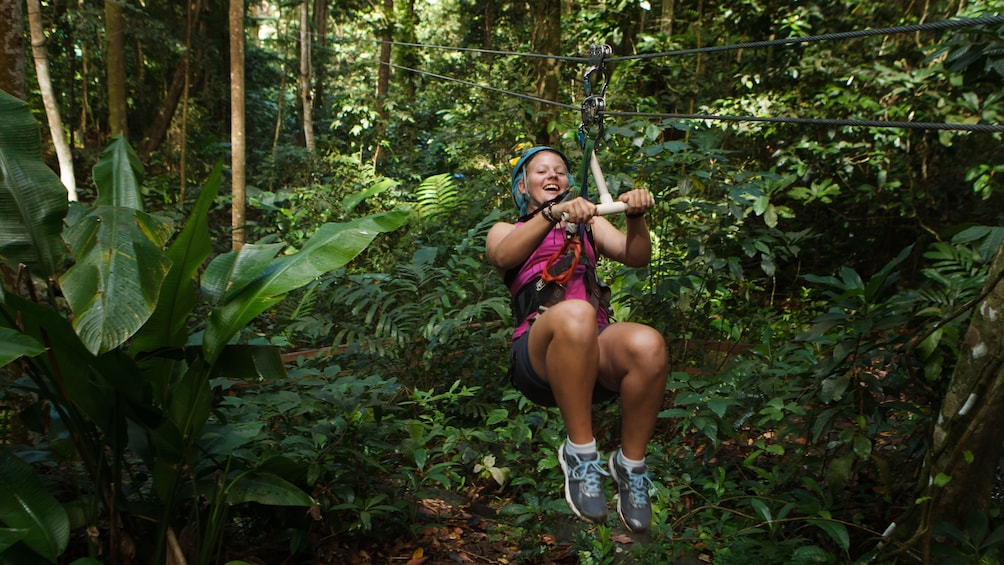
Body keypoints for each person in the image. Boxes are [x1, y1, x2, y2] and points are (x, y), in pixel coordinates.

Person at [486, 145, 668, 533]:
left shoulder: (588, 225)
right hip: (538, 356)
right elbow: (503, 256)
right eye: (541, 172)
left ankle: (630, 466)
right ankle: (581, 454)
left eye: (560, 171)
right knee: (575, 313)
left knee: (648, 343)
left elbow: (635, 256)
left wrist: (634, 218)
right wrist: (554, 214)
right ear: (522, 186)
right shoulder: (507, 230)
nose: (552, 176)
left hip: (593, 355)